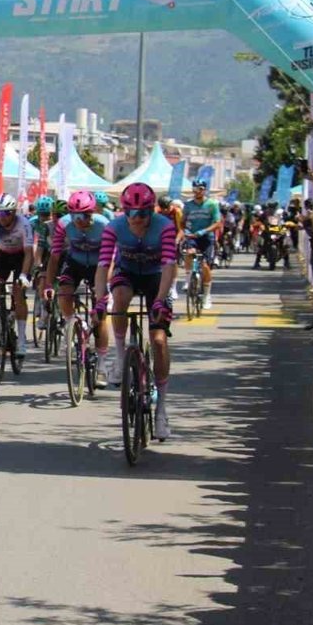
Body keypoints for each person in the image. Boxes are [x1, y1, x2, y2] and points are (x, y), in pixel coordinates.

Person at [94, 182, 177, 440]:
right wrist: (99, 299)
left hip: (156, 278)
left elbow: (169, 267)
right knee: (119, 297)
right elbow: (103, 265)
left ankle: (161, 411)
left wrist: (161, 300)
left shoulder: (165, 226)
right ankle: (121, 358)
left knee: (159, 341)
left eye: (142, 213)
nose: (136, 218)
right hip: (127, 273)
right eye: (130, 213)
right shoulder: (113, 227)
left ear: (151, 212)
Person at [44, 190, 113, 382]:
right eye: (74, 216)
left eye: (82, 216)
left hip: (99, 265)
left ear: (92, 213)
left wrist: (105, 287)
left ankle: (102, 365)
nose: (78, 221)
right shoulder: (63, 224)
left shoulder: (104, 225)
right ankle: (73, 324)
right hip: (75, 262)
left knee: (100, 317)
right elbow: (55, 256)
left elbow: (111, 260)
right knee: (63, 294)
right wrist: (48, 284)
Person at [0, 193, 35, 357]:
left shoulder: (24, 224)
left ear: (13, 212)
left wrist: (24, 275)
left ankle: (21, 340)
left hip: (22, 257)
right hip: (3, 257)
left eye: (6, 213)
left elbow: (29, 253)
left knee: (18, 293)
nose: (2, 216)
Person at [182, 180, 221, 308]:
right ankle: (188, 280)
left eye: (200, 189)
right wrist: (185, 231)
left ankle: (206, 296)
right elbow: (182, 222)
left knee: (204, 265)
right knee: (189, 253)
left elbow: (217, 223)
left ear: (204, 190)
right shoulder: (188, 205)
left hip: (206, 237)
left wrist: (203, 231)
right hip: (192, 236)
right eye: (195, 189)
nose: (198, 191)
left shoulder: (212, 204)